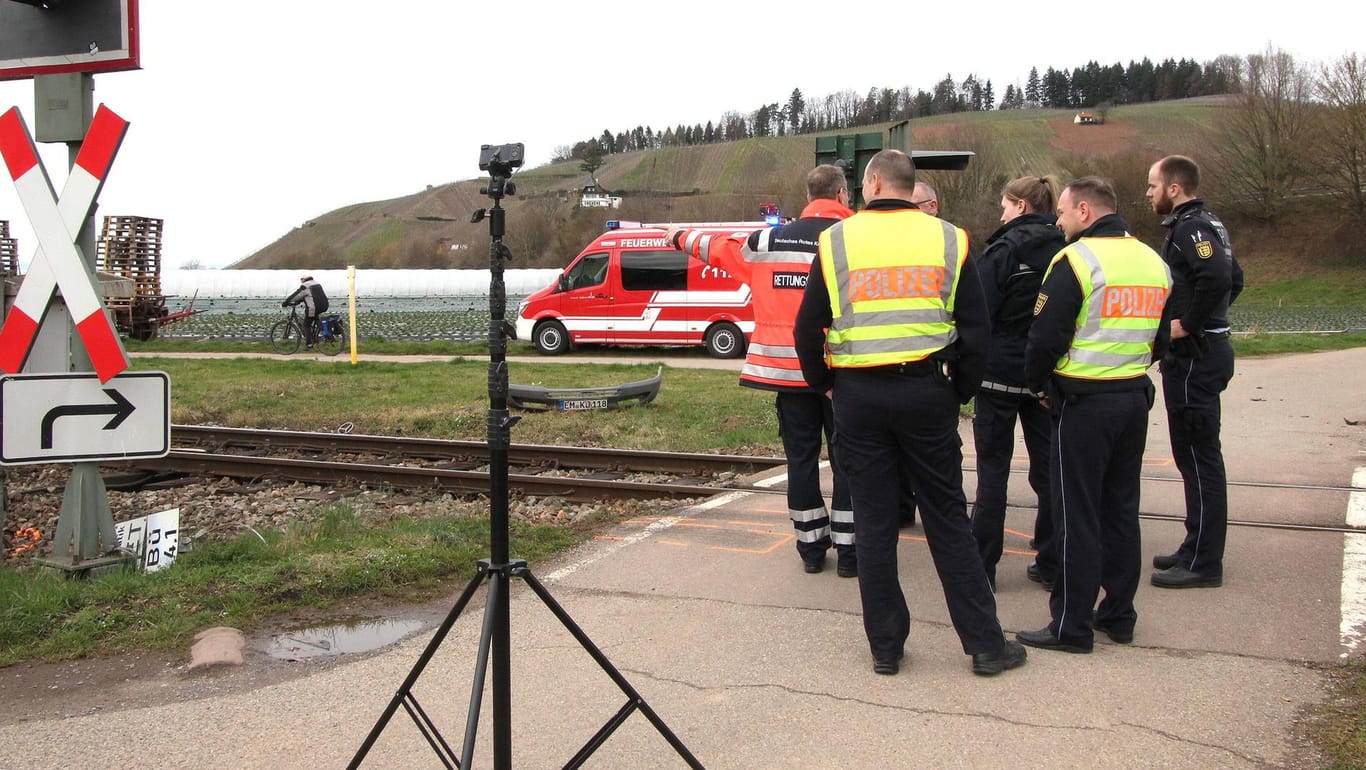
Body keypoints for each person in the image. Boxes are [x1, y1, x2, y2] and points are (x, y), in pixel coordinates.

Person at [794, 149, 1026, 677]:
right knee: (947, 518)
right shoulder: (949, 237)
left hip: (858, 398)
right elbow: (977, 329)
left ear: (873, 183)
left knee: (875, 523)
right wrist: (958, 392)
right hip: (927, 392)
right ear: (910, 185)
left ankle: (886, 648)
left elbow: (808, 329)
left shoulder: (835, 241)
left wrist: (827, 385)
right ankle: (986, 646)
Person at [664, 165, 858, 577]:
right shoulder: (854, 237)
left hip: (785, 375)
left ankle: (810, 549)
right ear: (842, 194)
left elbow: (718, 248)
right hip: (841, 374)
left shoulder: (767, 241)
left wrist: (678, 236)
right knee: (850, 460)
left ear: (808, 195)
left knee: (801, 461)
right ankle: (851, 551)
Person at [1016, 177, 1173, 654]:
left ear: (1085, 211)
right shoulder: (1154, 261)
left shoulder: (1076, 260)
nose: (1059, 221)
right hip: (1131, 398)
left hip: (1083, 403)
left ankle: (1071, 624)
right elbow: (1161, 339)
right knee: (1121, 509)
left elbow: (1044, 337)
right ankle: (1119, 614)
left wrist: (1041, 385)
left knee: (1076, 514)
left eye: (1063, 213)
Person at [1145, 155, 1244, 589]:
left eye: (1152, 185)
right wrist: (1212, 319)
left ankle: (1205, 562)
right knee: (1190, 457)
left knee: (1200, 459)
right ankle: (1195, 544)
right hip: (1202, 353)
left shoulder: (1191, 227)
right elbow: (1233, 278)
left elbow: (1220, 276)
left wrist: (1189, 324)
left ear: (1174, 187)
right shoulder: (1206, 224)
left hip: (1195, 359)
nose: (1147, 192)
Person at [969, 175, 1066, 591]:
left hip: (998, 376)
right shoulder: (1068, 249)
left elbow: (979, 311)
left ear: (1022, 205)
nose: (1001, 213)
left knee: (993, 471)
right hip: (1048, 376)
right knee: (1050, 472)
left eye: (1005, 205)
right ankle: (1051, 558)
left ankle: (983, 565)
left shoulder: (1003, 250)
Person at [283, 275, 329, 345]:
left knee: (306, 324)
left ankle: (309, 344)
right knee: (313, 319)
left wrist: (286, 303)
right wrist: (299, 301)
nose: (301, 281)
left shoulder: (305, 285)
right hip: (324, 306)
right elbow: (309, 296)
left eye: (301, 279)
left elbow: (296, 295)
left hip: (314, 308)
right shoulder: (316, 283)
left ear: (304, 279)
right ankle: (316, 338)